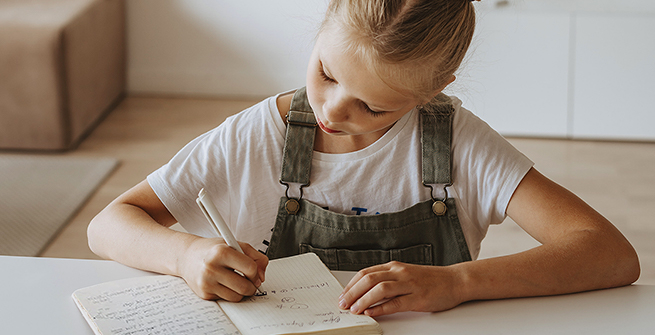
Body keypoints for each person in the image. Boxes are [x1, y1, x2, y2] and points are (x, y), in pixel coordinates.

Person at [88, 0, 640, 317]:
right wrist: (185, 255)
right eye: (326, 73)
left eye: (372, 106)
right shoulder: (257, 135)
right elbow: (109, 225)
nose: (331, 108)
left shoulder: (459, 144)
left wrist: (459, 283)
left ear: (432, 90)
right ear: (325, 22)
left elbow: (609, 254)